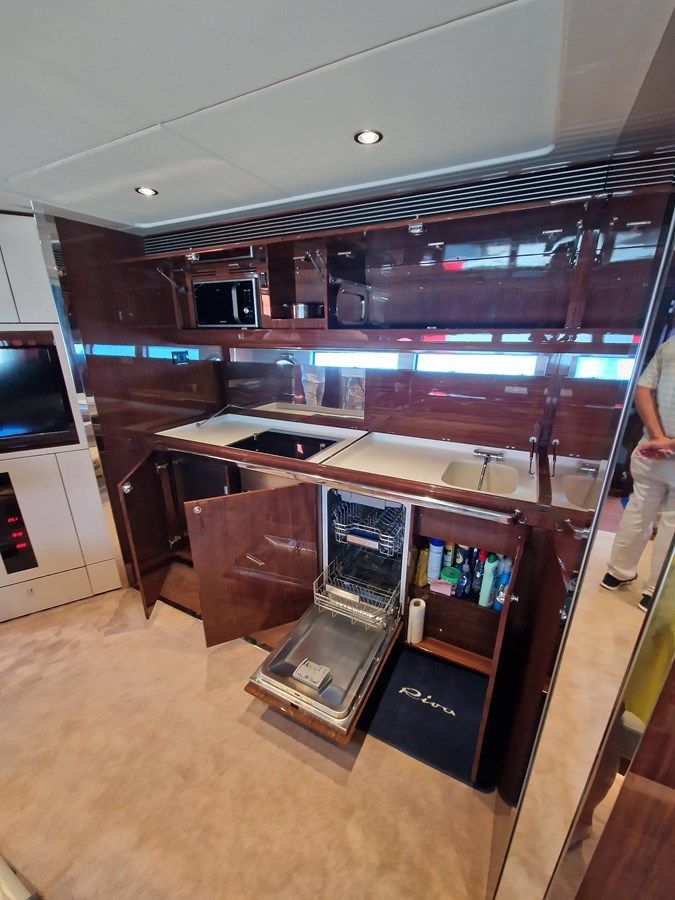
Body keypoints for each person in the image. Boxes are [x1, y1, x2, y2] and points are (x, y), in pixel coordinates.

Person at [601, 335, 675, 612]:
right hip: (662, 448)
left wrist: (657, 438)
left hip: (650, 449)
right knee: (671, 522)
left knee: (639, 507)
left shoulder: (670, 345)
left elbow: (643, 390)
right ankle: (653, 592)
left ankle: (616, 573)